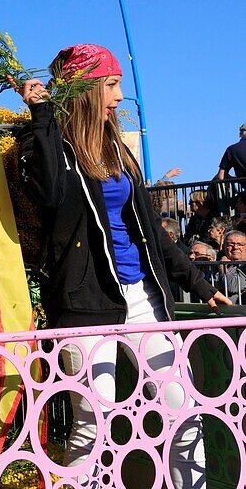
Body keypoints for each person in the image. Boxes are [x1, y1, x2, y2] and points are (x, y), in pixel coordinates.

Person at [18, 43, 230, 489]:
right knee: (92, 423)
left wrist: (197, 283)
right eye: (111, 85)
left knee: (182, 410)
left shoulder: (117, 149)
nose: (118, 96)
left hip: (143, 298)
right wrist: (42, 119)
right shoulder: (56, 144)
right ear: (87, 90)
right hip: (86, 304)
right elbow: (52, 196)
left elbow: (151, 231)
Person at [218, 231, 246, 304]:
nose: (235, 247)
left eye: (240, 244)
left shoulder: (244, 266)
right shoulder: (215, 264)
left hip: (238, 312)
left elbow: (233, 287)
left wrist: (222, 267)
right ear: (223, 247)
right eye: (231, 244)